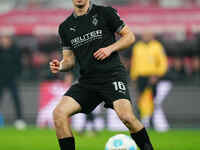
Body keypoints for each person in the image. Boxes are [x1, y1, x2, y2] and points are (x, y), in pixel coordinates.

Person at [49, 1, 154, 150]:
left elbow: (129, 37)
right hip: (88, 81)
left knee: (127, 117)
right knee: (59, 113)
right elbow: (69, 61)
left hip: (112, 75)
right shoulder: (65, 26)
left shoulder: (105, 13)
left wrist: (110, 49)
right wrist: (60, 66)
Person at [130, 32, 168, 128]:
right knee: (139, 99)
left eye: (147, 34)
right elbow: (134, 63)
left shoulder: (157, 46)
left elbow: (163, 62)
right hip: (140, 77)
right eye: (144, 34)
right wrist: (133, 77)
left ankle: (151, 121)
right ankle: (139, 121)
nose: (145, 36)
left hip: (152, 76)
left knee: (152, 99)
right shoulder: (137, 47)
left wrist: (157, 75)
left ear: (152, 36)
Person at [0, 35, 26, 129]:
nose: (4, 41)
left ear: (10, 41)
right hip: (1, 80)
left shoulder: (15, 51)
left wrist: (16, 75)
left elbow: (19, 65)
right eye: (2, 40)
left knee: (16, 99)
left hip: (12, 79)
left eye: (6, 39)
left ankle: (19, 120)